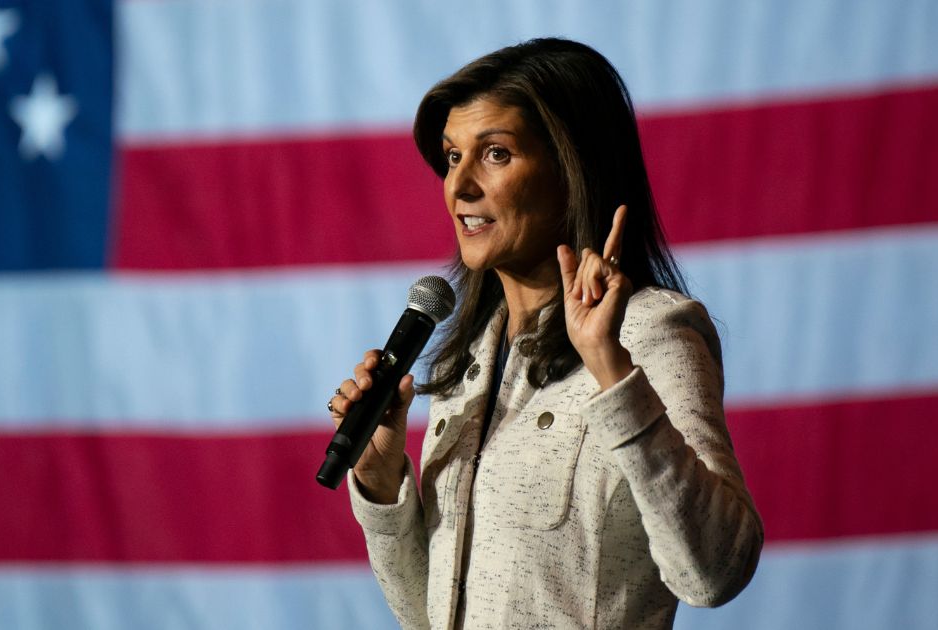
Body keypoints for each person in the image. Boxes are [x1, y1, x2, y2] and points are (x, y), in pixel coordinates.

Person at [327, 37, 762, 629]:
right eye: (453, 157)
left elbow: (714, 572)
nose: (459, 187)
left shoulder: (648, 331)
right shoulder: (472, 361)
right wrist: (381, 487)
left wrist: (611, 371)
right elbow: (427, 617)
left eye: (496, 154)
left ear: (572, 167)